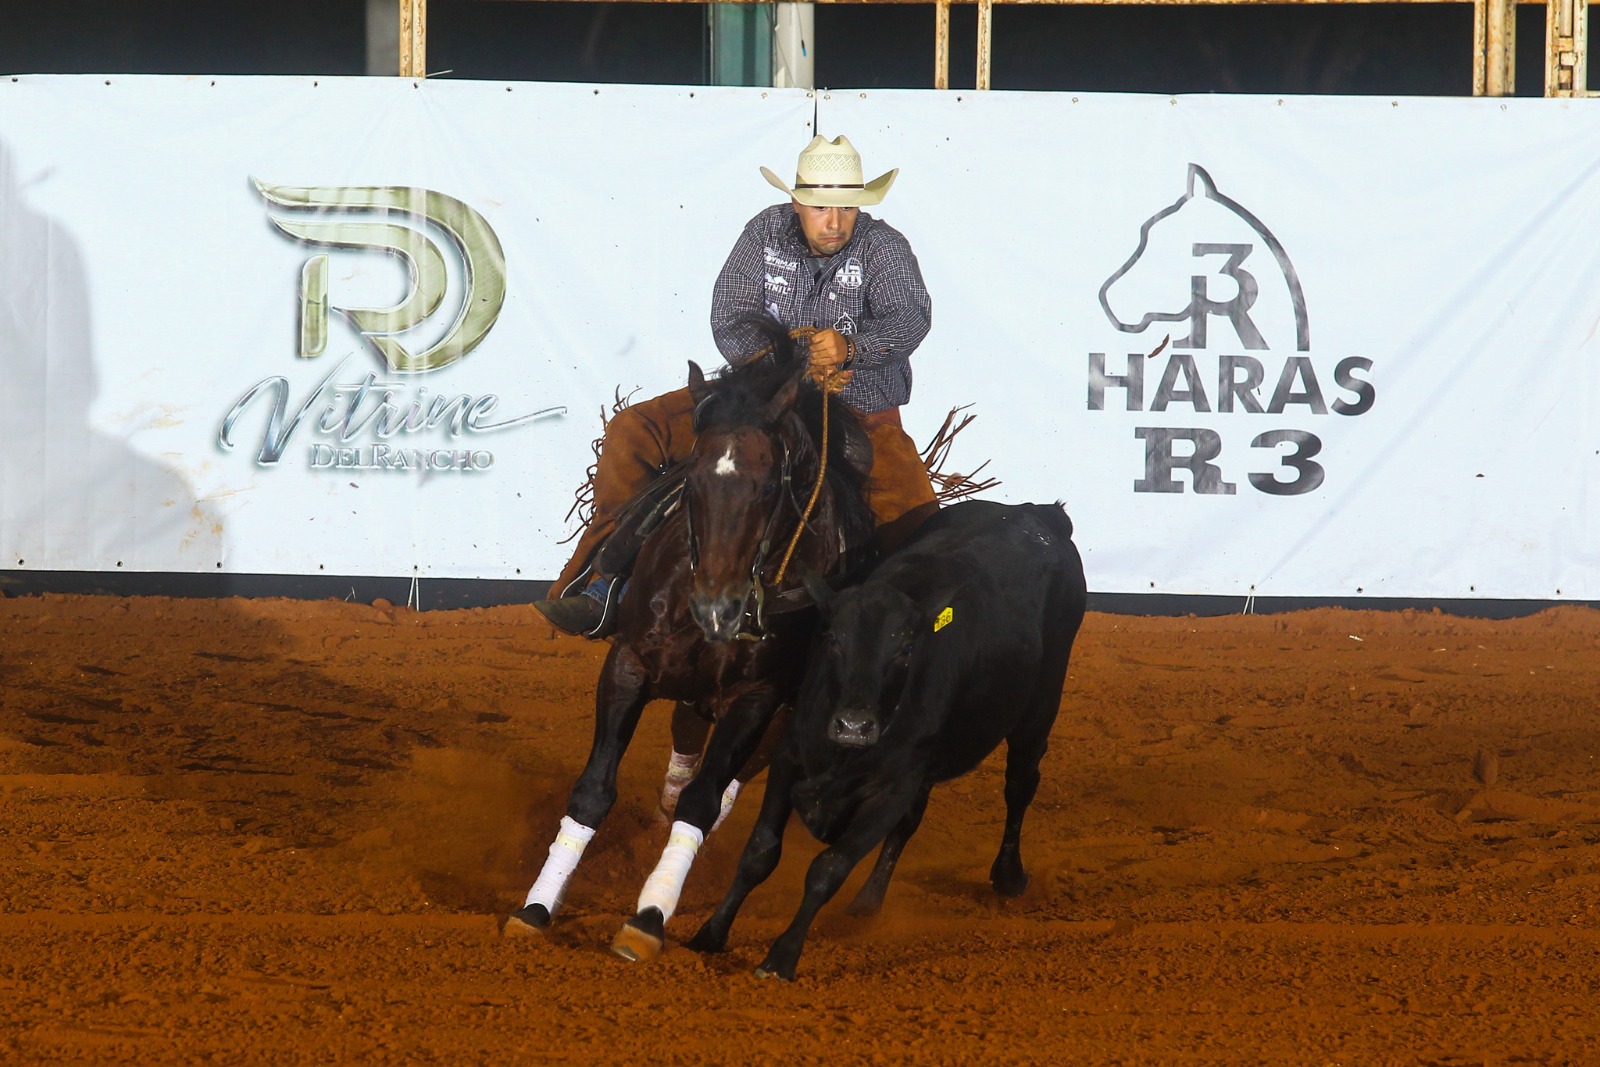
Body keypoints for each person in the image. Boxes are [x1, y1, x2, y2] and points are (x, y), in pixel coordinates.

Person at [534, 134, 938, 639]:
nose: (833, 221)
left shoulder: (885, 247)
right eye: (819, 207)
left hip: (857, 407)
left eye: (845, 207)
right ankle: (608, 577)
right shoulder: (765, 233)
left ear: (861, 205)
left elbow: (911, 318)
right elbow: (729, 315)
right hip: (755, 398)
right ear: (796, 202)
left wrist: (851, 349)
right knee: (634, 430)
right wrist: (789, 359)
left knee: (912, 510)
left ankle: (914, 619)